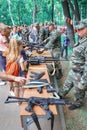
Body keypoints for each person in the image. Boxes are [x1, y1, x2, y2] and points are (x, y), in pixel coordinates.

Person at [58, 20, 87, 110]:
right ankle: (60, 95)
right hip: (74, 70)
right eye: (78, 29)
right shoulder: (82, 39)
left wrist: (83, 82)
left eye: (81, 29)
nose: (78, 31)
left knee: (78, 90)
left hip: (80, 73)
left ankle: (77, 103)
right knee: (67, 84)